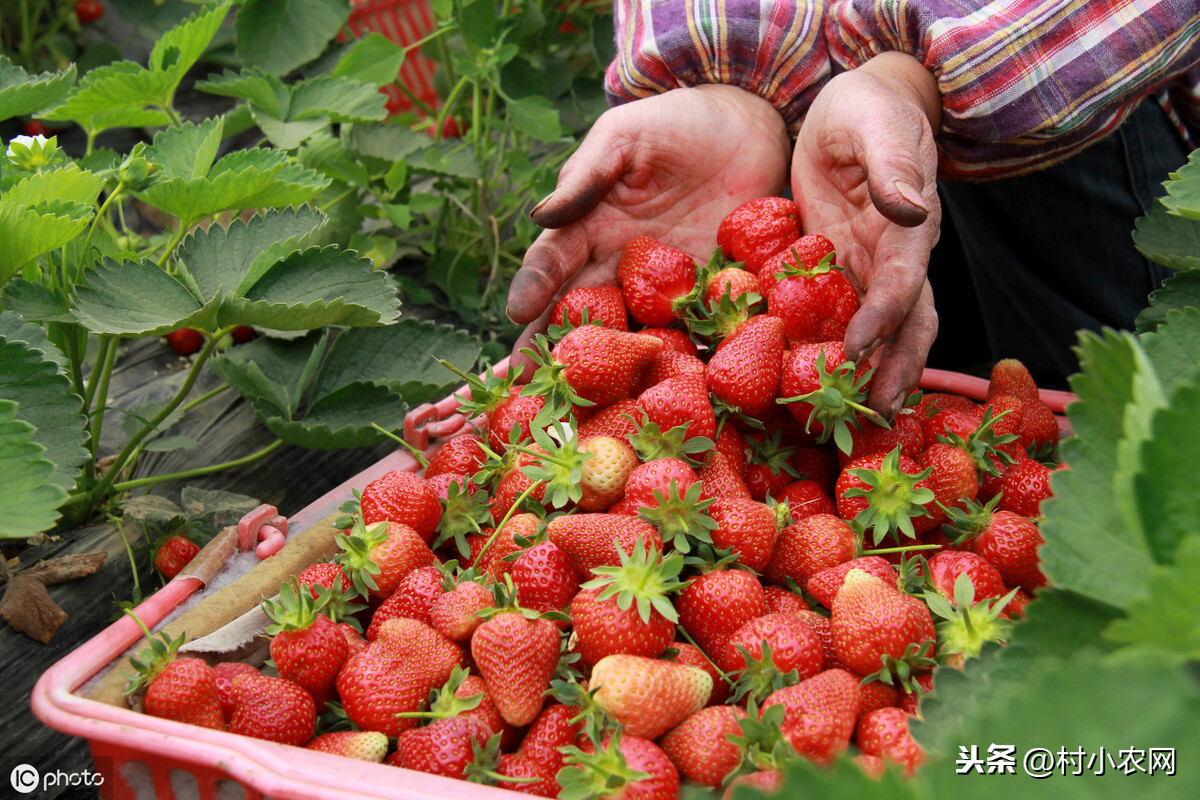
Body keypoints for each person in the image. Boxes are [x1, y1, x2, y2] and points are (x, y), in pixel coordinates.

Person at [506, 1, 1200, 417]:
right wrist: (731, 80)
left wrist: (912, 73)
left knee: (1118, 449)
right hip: (842, 146)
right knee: (882, 394)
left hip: (1070, 86)